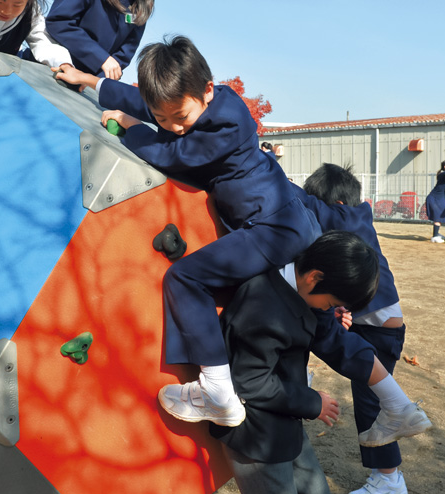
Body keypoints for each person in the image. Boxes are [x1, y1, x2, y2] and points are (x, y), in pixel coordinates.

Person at [56, 36, 320, 427]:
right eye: (162, 120)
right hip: (273, 222)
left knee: (185, 278)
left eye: (181, 116)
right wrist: (89, 81)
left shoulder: (228, 121)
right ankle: (280, 374)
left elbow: (172, 154)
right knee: (266, 303)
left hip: (272, 226)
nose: (174, 127)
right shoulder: (193, 103)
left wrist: (132, 128)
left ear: (207, 90)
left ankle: (215, 388)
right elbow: (146, 102)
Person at [209, 231, 429, 494]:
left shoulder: (299, 289)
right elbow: (251, 382)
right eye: (332, 303)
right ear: (314, 277)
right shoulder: (261, 307)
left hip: (284, 421)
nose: (331, 310)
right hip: (256, 435)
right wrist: (314, 402)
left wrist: (328, 314)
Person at [296, 163, 431, 494]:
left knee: (373, 406)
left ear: (336, 205)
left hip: (378, 334)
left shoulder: (347, 218)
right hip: (363, 323)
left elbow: (299, 201)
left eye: (318, 205)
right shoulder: (350, 220)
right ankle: (300, 374)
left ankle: (388, 479)